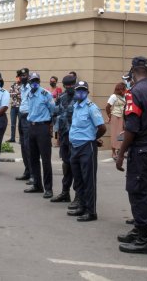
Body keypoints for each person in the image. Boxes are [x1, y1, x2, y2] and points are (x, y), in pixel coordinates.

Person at [116, 56, 147, 255]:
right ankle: (140, 229)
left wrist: (121, 154)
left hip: (142, 148)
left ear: (132, 71)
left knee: (137, 191)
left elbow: (132, 127)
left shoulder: (134, 92)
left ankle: (143, 239)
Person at [66, 81, 106, 222]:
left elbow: (102, 128)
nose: (80, 93)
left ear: (87, 92)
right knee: (78, 180)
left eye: (83, 91)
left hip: (86, 147)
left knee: (88, 180)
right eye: (78, 90)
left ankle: (91, 211)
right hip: (75, 147)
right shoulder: (76, 106)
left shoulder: (91, 107)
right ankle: (81, 206)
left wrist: (92, 138)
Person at [24, 72, 55, 198]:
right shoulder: (29, 94)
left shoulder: (45, 94)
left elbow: (53, 109)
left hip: (43, 127)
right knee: (33, 158)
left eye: (37, 80)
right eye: (33, 81)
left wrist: (49, 125)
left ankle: (48, 188)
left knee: (45, 159)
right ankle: (37, 185)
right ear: (30, 82)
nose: (35, 83)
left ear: (39, 81)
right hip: (31, 126)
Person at [50, 75, 78, 204]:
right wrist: (57, 131)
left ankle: (79, 196)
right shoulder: (61, 98)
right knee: (66, 165)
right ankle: (65, 192)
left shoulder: (80, 98)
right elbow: (55, 114)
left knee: (76, 166)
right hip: (65, 137)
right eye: (67, 85)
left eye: (71, 85)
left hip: (77, 138)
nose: (69, 87)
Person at [15, 68, 32, 182]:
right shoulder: (22, 87)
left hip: (28, 117)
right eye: (21, 75)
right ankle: (27, 171)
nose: (23, 77)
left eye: (25, 75)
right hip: (21, 116)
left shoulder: (31, 87)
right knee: (23, 145)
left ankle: (33, 174)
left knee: (28, 146)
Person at [106, 83, 126, 159]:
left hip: (123, 116)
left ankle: (120, 151)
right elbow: (108, 107)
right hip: (115, 116)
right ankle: (113, 152)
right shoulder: (113, 96)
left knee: (121, 134)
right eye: (123, 88)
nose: (124, 90)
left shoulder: (124, 96)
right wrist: (109, 116)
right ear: (119, 89)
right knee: (115, 134)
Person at [7, 74, 22, 143]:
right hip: (13, 106)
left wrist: (15, 94)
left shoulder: (23, 86)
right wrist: (18, 93)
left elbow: (22, 96)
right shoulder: (13, 85)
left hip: (20, 107)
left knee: (20, 124)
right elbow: (9, 94)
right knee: (13, 124)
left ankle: (21, 139)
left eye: (19, 77)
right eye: (17, 77)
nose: (18, 78)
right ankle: (12, 138)